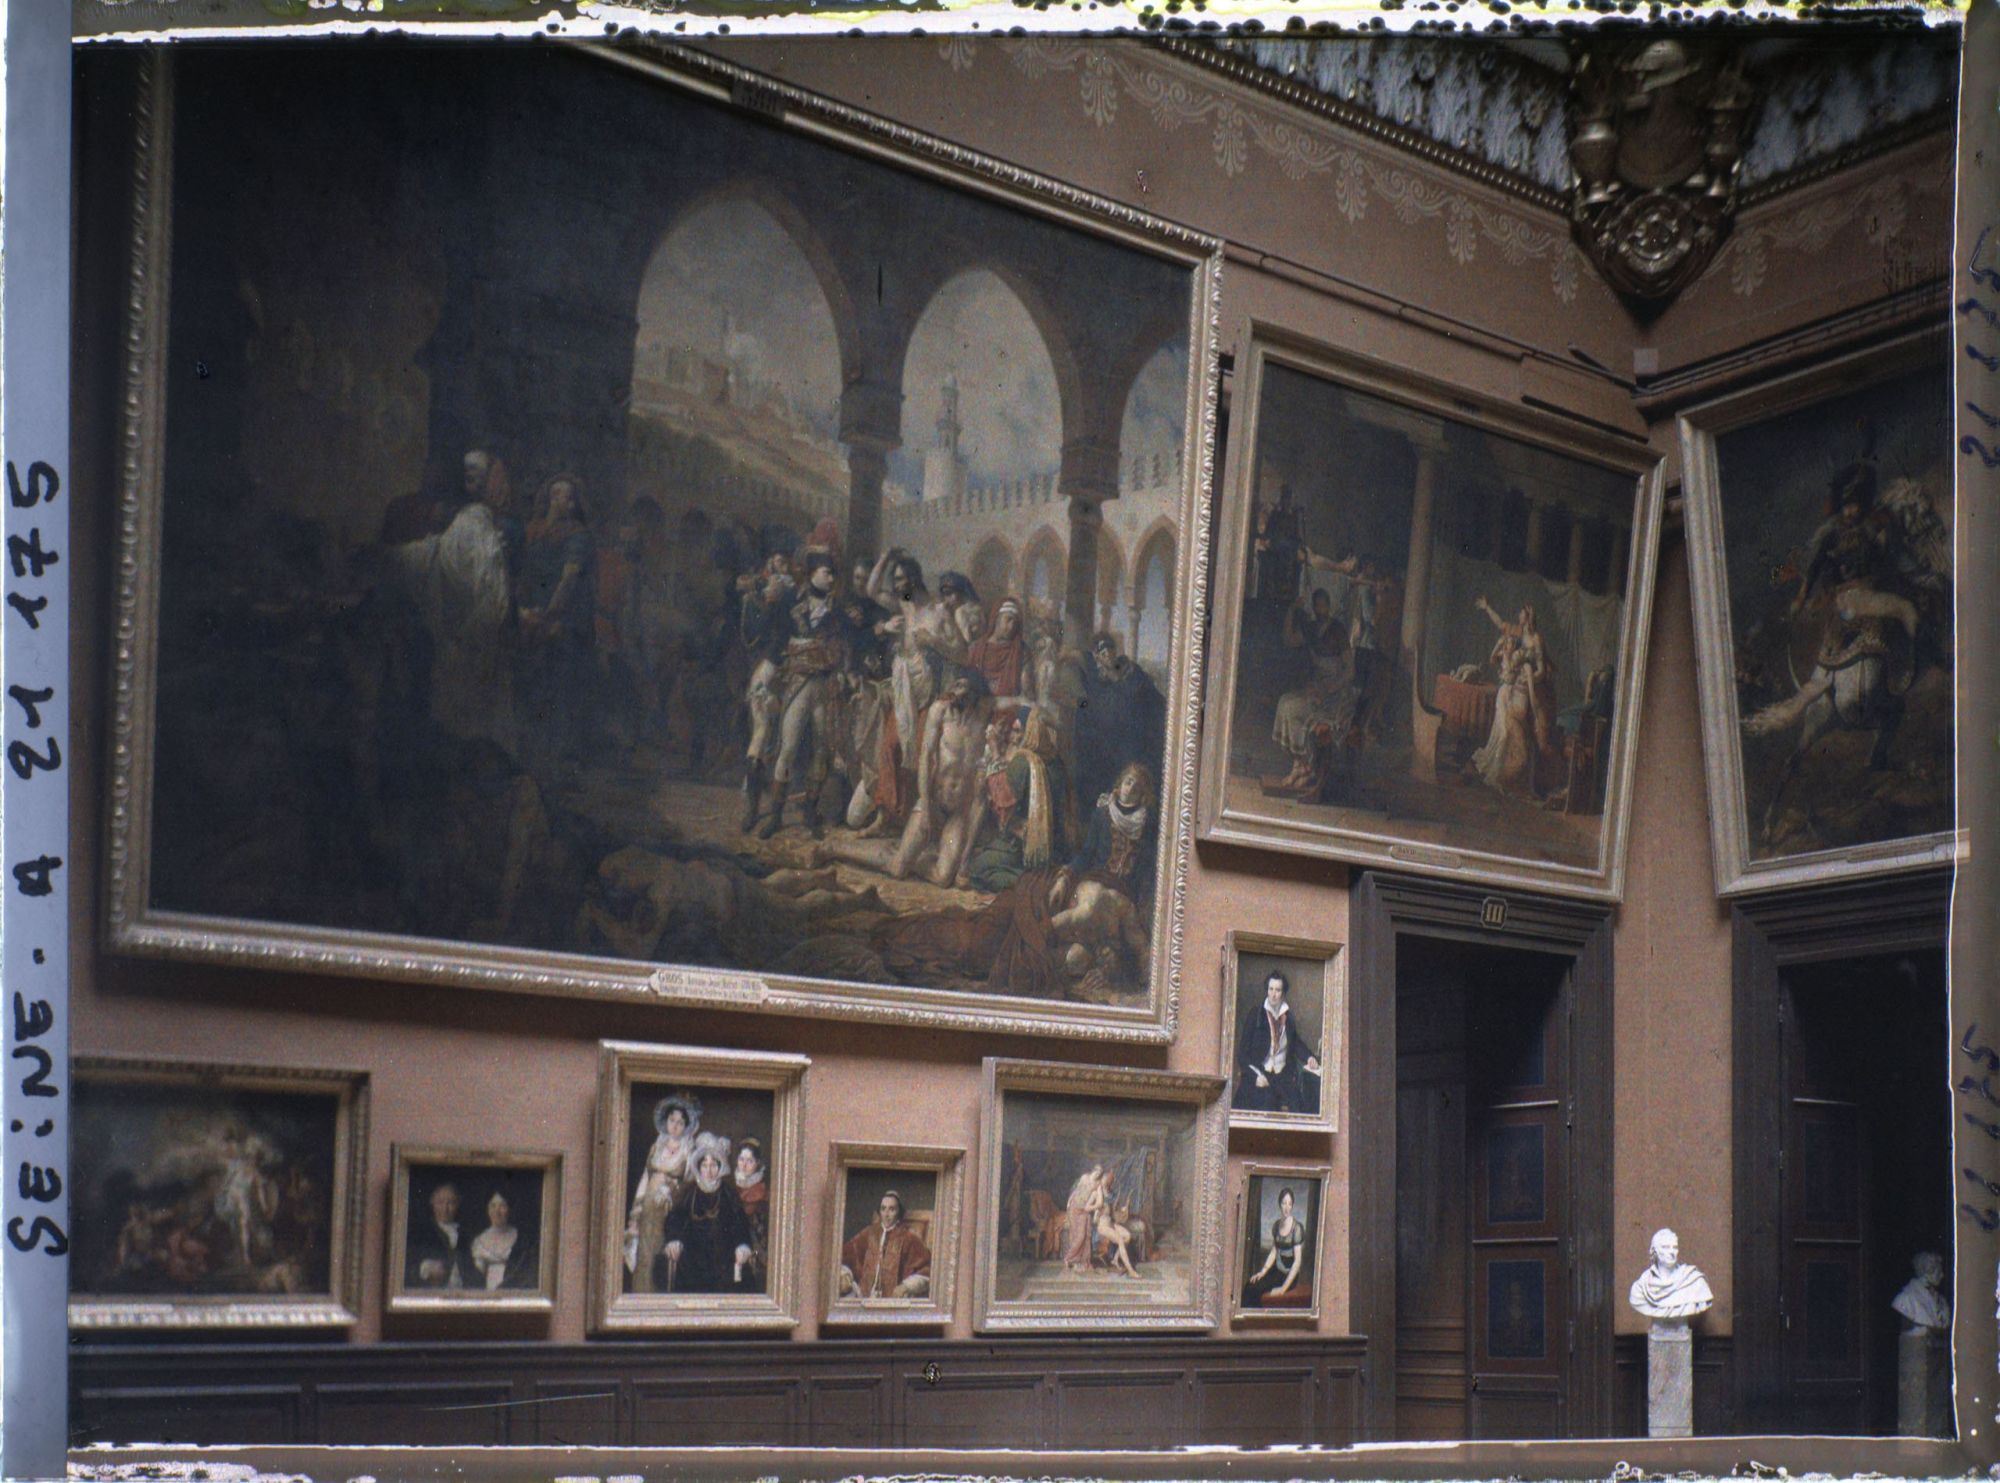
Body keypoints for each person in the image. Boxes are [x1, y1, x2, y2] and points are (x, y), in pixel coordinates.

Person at [390, 447, 518, 752]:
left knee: (469, 731)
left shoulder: (475, 524)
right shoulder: (472, 523)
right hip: (466, 647)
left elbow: (493, 598)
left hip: (469, 647)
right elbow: (436, 556)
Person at [762, 551, 849, 839]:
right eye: (826, 572)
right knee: (787, 748)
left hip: (823, 687)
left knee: (821, 750)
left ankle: (810, 810)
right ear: (812, 573)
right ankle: (775, 814)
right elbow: (780, 642)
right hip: (798, 684)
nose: (831, 578)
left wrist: (823, 654)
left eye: (833, 573)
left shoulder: (837, 611)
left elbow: (840, 649)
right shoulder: (792, 604)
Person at [516, 473, 598, 771]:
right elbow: (523, 574)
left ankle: (563, 760)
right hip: (534, 614)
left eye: (565, 495)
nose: (559, 498)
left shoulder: (578, 536)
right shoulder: (534, 531)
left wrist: (548, 616)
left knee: (562, 689)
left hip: (565, 621)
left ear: (574, 503)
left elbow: (569, 580)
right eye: (554, 493)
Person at [890, 671, 993, 886]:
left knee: (944, 878)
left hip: (958, 813)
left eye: (962, 687)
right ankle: (896, 858)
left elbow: (1013, 701)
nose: (955, 693)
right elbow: (926, 760)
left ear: (974, 694)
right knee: (898, 870)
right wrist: (927, 808)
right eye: (955, 686)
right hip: (934, 802)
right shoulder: (940, 712)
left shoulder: (983, 716)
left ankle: (907, 859)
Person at [966, 706, 1075, 893]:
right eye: (1013, 731)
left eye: (1018, 731)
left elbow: (1003, 801)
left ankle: (1034, 885)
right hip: (1055, 845)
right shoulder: (1056, 762)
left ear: (1031, 732)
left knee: (976, 870)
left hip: (1025, 846)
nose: (1013, 737)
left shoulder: (1023, 761)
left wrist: (995, 754)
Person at [1272, 589, 1359, 788]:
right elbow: (1289, 640)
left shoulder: (1337, 630)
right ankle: (1298, 765)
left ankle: (1307, 767)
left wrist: (1328, 689)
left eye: (1323, 605)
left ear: (1328, 606)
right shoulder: (1310, 629)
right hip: (1318, 687)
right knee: (1284, 702)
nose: (1320, 609)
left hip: (1336, 694)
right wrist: (1292, 610)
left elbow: (1350, 672)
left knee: (1295, 710)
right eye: (1317, 605)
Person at [1074, 634, 1167, 816]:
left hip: (1131, 743)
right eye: (1102, 651)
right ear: (1097, 656)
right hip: (1105, 746)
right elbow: (1085, 705)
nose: (1107, 654)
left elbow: (1153, 698)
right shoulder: (1095, 682)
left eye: (1110, 649)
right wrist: (1080, 705)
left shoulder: (1132, 673)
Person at [659, 1133, 757, 1294]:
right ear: (698, 1167)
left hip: (723, 1253)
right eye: (704, 1165)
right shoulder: (689, 1192)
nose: (709, 1170)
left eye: (713, 1165)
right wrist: (674, 1239)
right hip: (693, 1252)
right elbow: (675, 1218)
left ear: (720, 1167)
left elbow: (740, 1223)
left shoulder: (728, 1192)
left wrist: (742, 1244)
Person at [624, 1093, 700, 1295]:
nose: (675, 1125)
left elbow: (689, 1182)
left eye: (681, 1122)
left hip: (671, 1210)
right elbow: (645, 1178)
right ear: (666, 1122)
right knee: (645, 1253)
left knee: (663, 1254)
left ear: (686, 1126)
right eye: (672, 1120)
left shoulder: (688, 1149)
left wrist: (671, 1189)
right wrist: (636, 1213)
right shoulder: (656, 1146)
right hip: (649, 1210)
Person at [1236, 970, 1323, 1115]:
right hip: (1261, 1073)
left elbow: (1295, 1043)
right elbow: (1242, 1055)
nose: (1273, 994)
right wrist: (1255, 1076)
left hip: (1283, 1076)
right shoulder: (1256, 1015)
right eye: (1271, 989)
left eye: (1277, 990)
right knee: (1267, 1105)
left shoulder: (1287, 1017)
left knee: (1301, 1108)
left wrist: (1309, 1057)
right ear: (1267, 990)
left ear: (1283, 993)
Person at [837, 1190, 932, 1299]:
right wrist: (844, 1274)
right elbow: (846, 1257)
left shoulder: (909, 1238)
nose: (886, 1214)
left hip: (895, 1299)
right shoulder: (869, 1233)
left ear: (898, 1212)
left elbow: (926, 1269)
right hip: (864, 1296)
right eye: (883, 1209)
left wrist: (906, 1286)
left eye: (891, 1209)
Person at [1627, 1227, 1714, 1319]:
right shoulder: (1640, 1288)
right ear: (1655, 1251)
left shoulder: (1695, 1282)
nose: (1672, 1252)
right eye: (1665, 1247)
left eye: (1675, 1247)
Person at [407, 1181, 479, 1290]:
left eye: (451, 1203)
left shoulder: (465, 1234)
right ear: (432, 1203)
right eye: (440, 1203)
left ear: (457, 1205)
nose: (445, 1209)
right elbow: (407, 1266)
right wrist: (424, 1269)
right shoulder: (421, 1232)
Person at [1242, 1187, 1307, 1305]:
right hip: (1276, 1271)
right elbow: (1274, 1252)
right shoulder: (1277, 1225)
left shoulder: (1297, 1228)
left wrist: (1283, 1289)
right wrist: (1262, 1272)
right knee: (1250, 1285)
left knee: (1257, 1290)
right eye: (1284, 1203)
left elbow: (1297, 1262)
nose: (1287, 1207)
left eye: (1289, 1204)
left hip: (1289, 1276)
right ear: (1279, 1204)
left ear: (1292, 1206)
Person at [967, 597, 1035, 709]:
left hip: (1009, 706)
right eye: (1008, 620)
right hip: (978, 706)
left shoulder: (1022, 651)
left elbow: (1027, 692)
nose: (1012, 626)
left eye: (1015, 622)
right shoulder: (975, 648)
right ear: (996, 619)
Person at [470, 1189, 539, 1292]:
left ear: (510, 1209)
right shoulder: (478, 1241)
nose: (497, 1212)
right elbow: (474, 1278)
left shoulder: (522, 1239)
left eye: (502, 1206)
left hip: (514, 1293)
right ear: (487, 1209)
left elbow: (527, 1275)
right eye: (492, 1206)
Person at [733, 1139, 771, 1285]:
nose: (744, 1165)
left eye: (750, 1161)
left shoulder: (762, 1192)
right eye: (741, 1159)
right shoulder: (732, 1187)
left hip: (755, 1245)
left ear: (757, 1164)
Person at [1061, 1165, 1105, 1273]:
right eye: (1096, 1171)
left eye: (1100, 1173)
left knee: (1083, 1237)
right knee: (1075, 1235)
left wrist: (1090, 1208)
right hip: (1074, 1208)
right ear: (1093, 1171)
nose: (1097, 1174)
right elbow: (1076, 1191)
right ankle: (1075, 1261)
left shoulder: (1098, 1185)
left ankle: (1073, 1259)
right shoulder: (1084, 1177)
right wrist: (1069, 1202)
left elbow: (1100, 1202)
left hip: (1084, 1212)